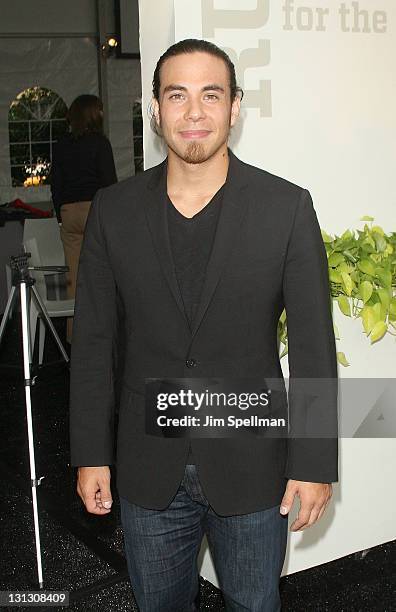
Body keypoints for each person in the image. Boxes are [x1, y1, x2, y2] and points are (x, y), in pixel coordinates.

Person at [69, 39, 338, 611]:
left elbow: (315, 346)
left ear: (235, 107)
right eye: (177, 95)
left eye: (210, 95)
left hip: (253, 466)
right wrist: (91, 452)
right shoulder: (113, 211)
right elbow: (94, 344)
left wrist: (315, 463)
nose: (194, 112)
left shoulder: (285, 208)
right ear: (155, 108)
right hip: (148, 468)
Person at [50, 94, 117, 344]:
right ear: (92, 114)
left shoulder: (61, 144)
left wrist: (60, 213)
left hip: (68, 213)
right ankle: (102, 337)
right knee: (101, 274)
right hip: (93, 209)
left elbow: (55, 184)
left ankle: (74, 338)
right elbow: (109, 184)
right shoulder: (100, 143)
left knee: (74, 280)